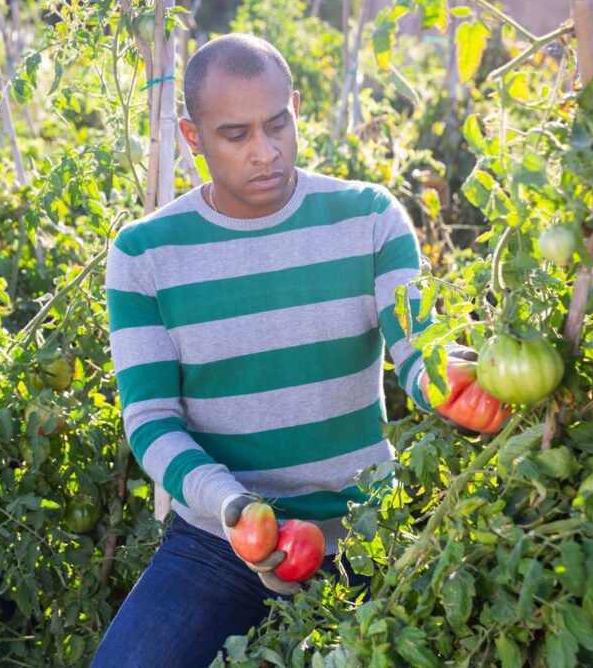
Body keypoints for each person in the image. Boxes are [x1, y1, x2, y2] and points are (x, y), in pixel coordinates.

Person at [95, 33, 497, 666]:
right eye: (236, 135)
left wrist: (452, 384)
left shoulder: (367, 218)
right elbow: (150, 420)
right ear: (192, 136)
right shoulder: (145, 254)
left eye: (278, 123)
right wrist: (232, 507)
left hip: (366, 532)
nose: (266, 152)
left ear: (296, 107)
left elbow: (418, 353)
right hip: (217, 541)